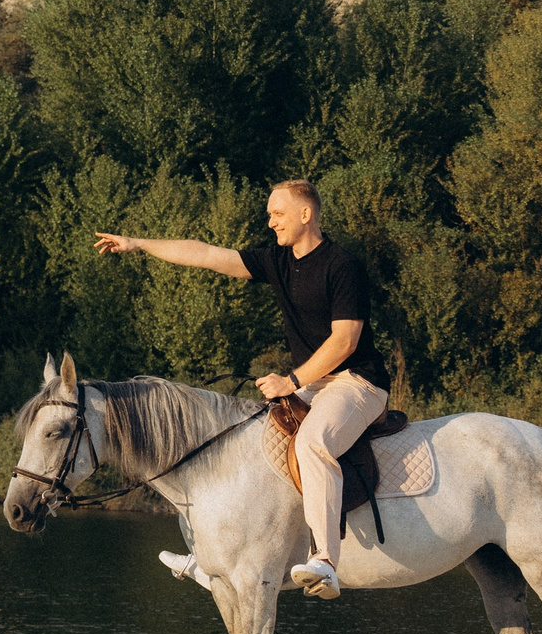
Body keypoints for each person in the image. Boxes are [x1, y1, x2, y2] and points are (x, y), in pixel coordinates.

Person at [92, 179, 389, 600]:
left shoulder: (342, 266)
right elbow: (206, 255)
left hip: (356, 383)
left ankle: (324, 562)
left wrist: (292, 381)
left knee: (312, 443)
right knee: (249, 442)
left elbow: (345, 341)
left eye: (278, 214)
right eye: (270, 215)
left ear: (306, 214)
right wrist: (138, 244)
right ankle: (213, 554)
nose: (271, 222)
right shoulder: (279, 262)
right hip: (313, 385)